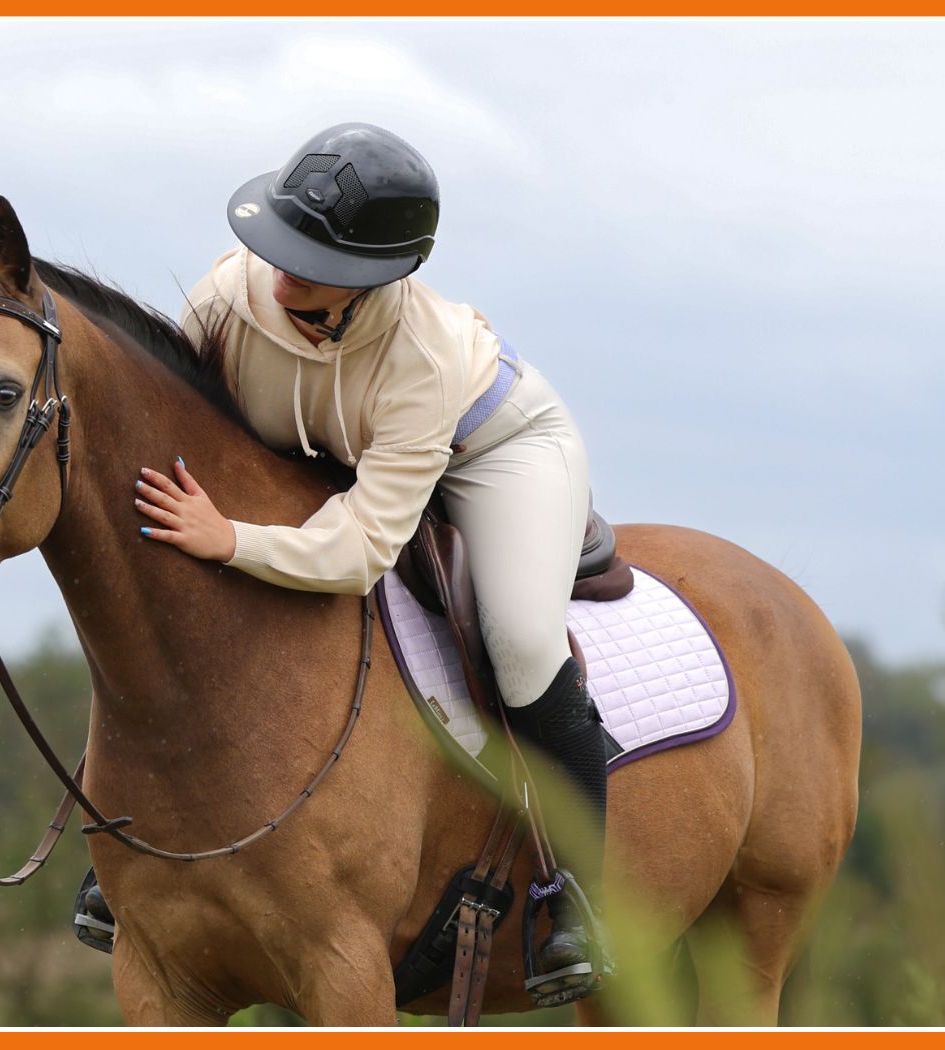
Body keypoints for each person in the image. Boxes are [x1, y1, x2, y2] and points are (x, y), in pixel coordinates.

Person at [86, 122, 609, 1003]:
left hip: (491, 450)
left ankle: (582, 901)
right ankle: (134, 849)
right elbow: (186, 435)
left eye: (310, 257)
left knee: (520, 638)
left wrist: (237, 539)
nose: (279, 269)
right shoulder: (227, 295)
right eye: (281, 240)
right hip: (330, 446)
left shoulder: (423, 358)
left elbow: (366, 545)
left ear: (378, 278)